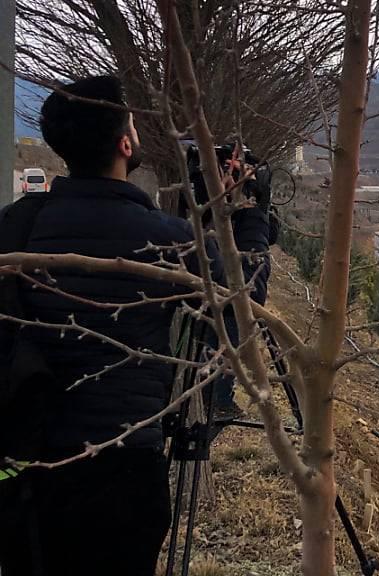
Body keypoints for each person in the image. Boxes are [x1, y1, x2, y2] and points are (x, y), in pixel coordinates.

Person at [0, 76, 272, 575]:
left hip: (25, 465)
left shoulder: (14, 226)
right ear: (125, 144)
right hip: (122, 467)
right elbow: (245, 300)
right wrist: (251, 211)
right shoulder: (166, 239)